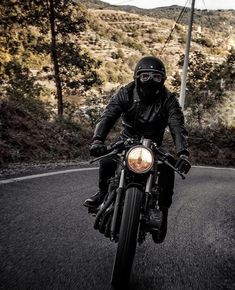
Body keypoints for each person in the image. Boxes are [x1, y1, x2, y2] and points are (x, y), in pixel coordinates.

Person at [83, 56, 191, 243]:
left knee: (167, 170)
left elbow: (177, 127)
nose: (150, 80)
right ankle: (102, 194)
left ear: (162, 79)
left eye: (156, 77)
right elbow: (108, 115)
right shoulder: (125, 93)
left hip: (154, 145)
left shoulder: (169, 100)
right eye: (145, 76)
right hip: (126, 141)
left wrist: (183, 153)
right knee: (107, 160)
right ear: (137, 77)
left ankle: (163, 212)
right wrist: (98, 140)